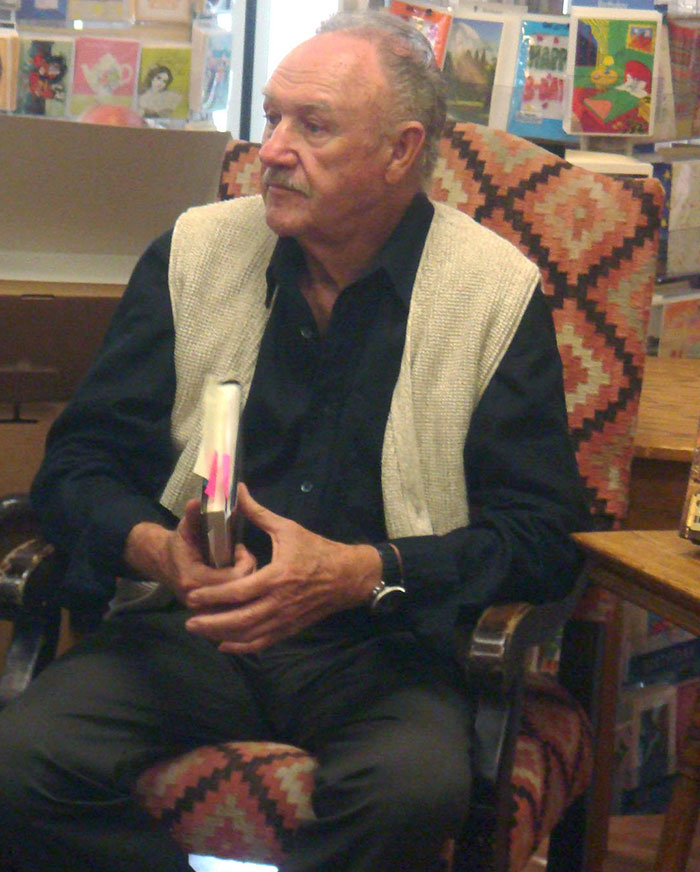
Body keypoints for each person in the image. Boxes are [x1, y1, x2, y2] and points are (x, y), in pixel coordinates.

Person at [0, 10, 590, 872]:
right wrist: (162, 552)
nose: (271, 148)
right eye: (272, 117)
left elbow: (541, 535)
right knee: (19, 764)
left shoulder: (491, 293)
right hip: (191, 626)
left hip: (380, 650)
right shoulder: (195, 254)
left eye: (311, 126)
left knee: (413, 792)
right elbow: (79, 466)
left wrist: (361, 571)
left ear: (400, 151)